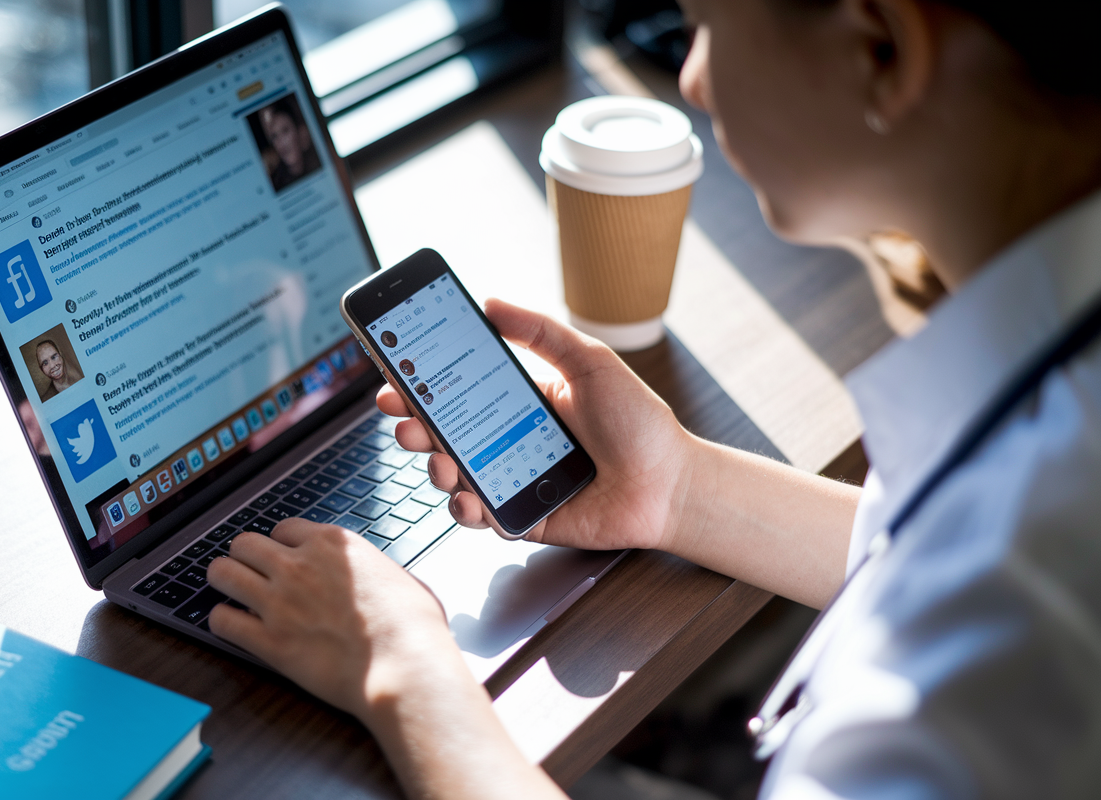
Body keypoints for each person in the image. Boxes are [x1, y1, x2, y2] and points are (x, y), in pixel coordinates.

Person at [206, 0, 1101, 797]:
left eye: (709, 24)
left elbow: (976, 570)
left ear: (881, 47)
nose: (694, 78)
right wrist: (678, 489)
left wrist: (406, 673)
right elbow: (928, 543)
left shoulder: (1016, 600)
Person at [259, 100, 321, 191]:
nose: (281, 142)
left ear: (298, 131)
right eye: (274, 136)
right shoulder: (275, 185)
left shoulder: (319, 163)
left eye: (285, 131)